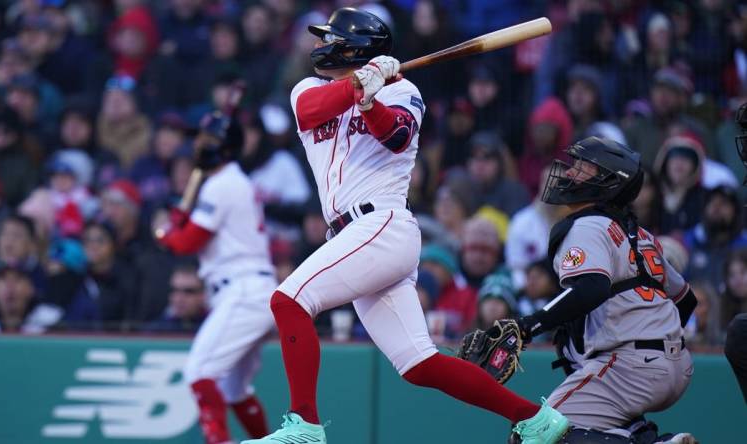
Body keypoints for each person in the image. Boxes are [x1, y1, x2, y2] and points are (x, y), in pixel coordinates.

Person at [242, 8, 569, 444]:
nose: (321, 45)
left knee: (289, 301)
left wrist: (371, 99)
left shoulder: (404, 91)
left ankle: (304, 427)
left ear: (352, 47)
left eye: (330, 38)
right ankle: (535, 418)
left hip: (382, 224)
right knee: (420, 364)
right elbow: (310, 112)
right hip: (352, 236)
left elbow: (395, 136)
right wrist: (360, 85)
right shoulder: (308, 88)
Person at [486, 137, 698, 443]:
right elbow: (686, 300)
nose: (569, 173)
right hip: (676, 365)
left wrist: (527, 325)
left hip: (629, 365)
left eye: (581, 168)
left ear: (606, 182)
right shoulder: (641, 235)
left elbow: (591, 288)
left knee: (536, 434)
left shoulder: (588, 225)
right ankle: (642, 436)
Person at [155, 110, 274, 444]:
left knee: (199, 372)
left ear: (225, 145)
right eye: (199, 138)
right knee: (234, 389)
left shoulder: (222, 184)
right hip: (253, 289)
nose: (199, 145)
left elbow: (187, 242)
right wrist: (179, 223)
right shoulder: (229, 181)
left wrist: (165, 233)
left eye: (207, 139)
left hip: (243, 289)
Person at [144, 261, 207, 333]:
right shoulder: (156, 331)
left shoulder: (214, 326)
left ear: (203, 295)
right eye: (174, 290)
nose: (179, 298)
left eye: (188, 291)